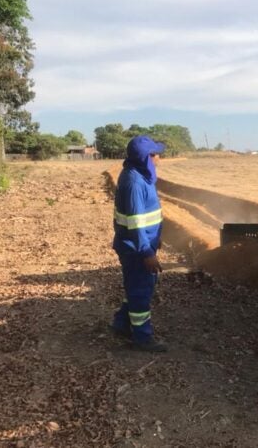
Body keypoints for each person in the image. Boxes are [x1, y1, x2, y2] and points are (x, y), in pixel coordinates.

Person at [110, 135, 167, 352]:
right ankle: (142, 338)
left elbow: (145, 217)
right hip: (135, 249)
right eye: (155, 154)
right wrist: (146, 252)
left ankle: (121, 323)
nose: (159, 158)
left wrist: (155, 239)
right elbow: (134, 223)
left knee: (137, 287)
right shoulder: (134, 182)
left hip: (142, 244)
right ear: (146, 157)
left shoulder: (142, 176)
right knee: (141, 291)